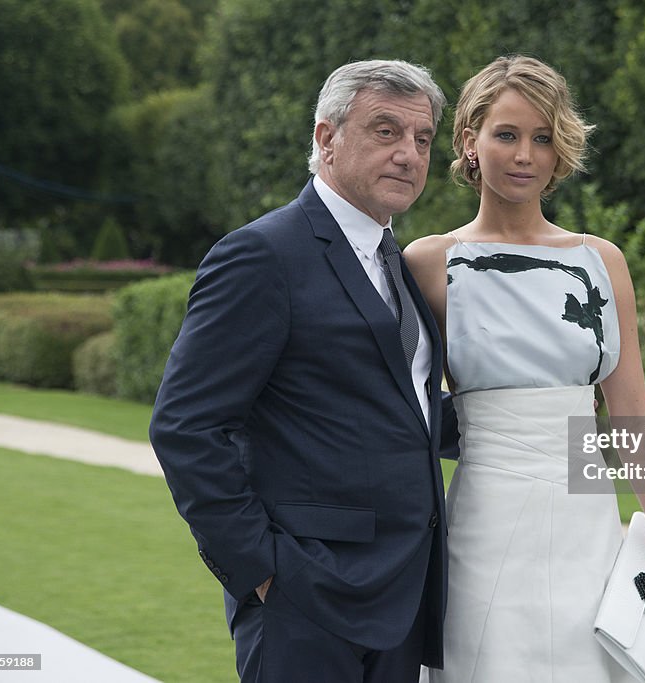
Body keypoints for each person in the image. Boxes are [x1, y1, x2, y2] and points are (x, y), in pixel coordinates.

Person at [149, 60, 459, 683]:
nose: (408, 154)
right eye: (385, 131)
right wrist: (263, 572)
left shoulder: (395, 261)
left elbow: (400, 410)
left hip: (404, 594)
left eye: (422, 139)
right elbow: (186, 426)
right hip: (305, 598)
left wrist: (540, 416)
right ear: (325, 138)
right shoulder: (261, 254)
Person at [404, 55, 645, 682]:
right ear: (469, 141)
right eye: (506, 134)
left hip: (588, 523)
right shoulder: (427, 263)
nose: (525, 155)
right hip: (483, 518)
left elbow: (633, 412)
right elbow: (403, 407)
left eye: (543, 138)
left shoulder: (602, 261)